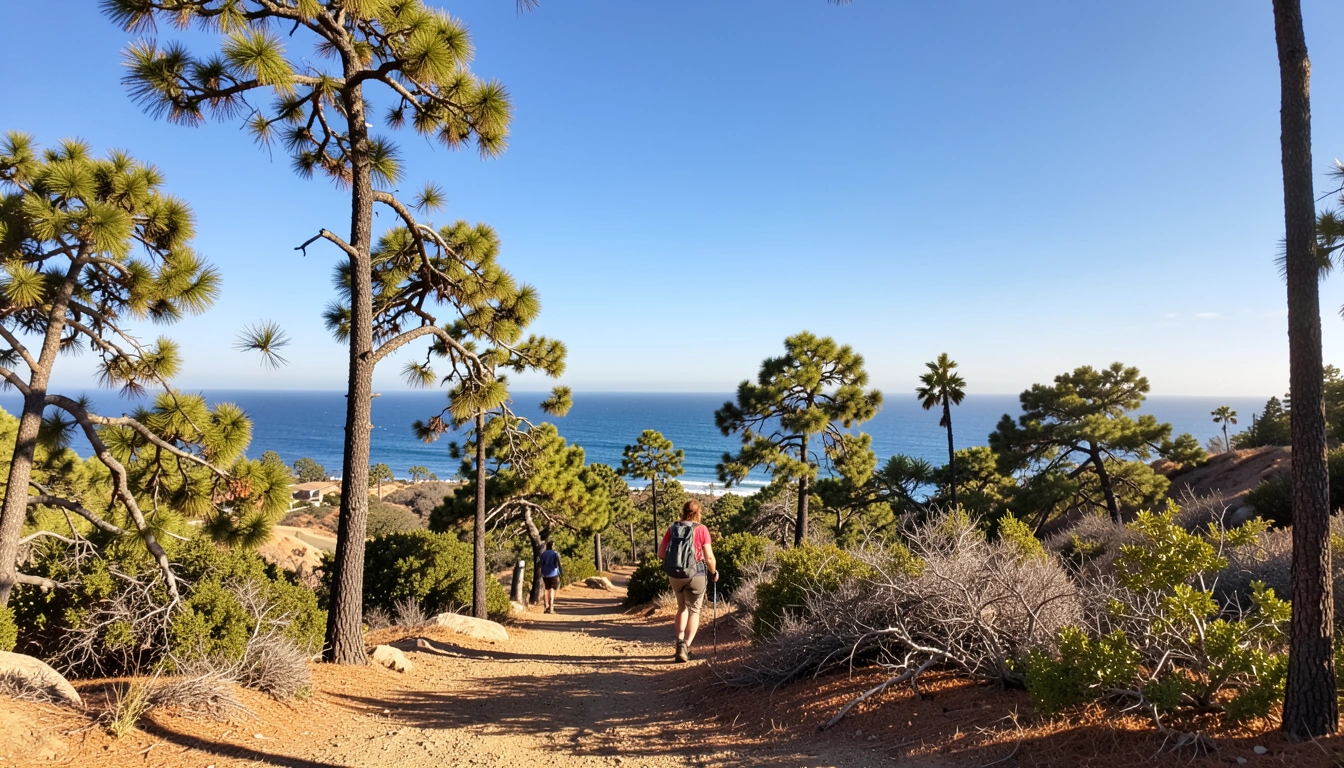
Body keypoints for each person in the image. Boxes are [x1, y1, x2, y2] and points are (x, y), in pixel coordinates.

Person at [658, 499, 717, 663]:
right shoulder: (702, 529)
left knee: (681, 607)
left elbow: (661, 553)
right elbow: (709, 557)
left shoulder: (673, 528)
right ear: (698, 513)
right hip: (696, 573)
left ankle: (679, 642)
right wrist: (714, 571)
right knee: (695, 610)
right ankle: (686, 647)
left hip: (675, 574)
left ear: (683, 511)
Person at [539, 540, 562, 614]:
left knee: (546, 589)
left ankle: (546, 606)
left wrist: (541, 571)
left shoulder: (543, 554)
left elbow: (540, 564)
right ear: (552, 546)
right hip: (553, 573)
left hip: (545, 573)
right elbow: (558, 563)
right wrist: (560, 571)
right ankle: (551, 607)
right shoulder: (555, 553)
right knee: (552, 590)